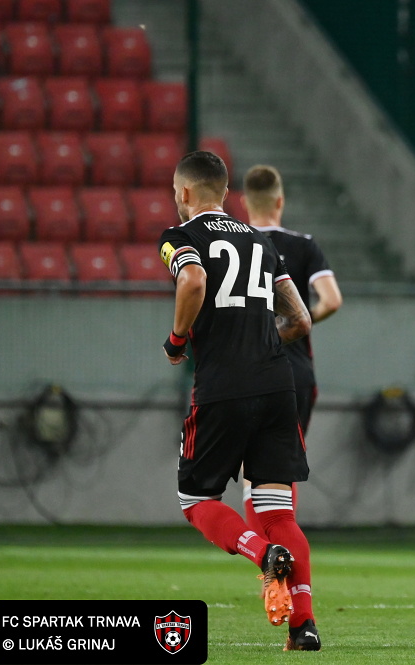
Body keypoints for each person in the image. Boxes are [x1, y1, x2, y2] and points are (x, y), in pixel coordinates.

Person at [158, 151, 321, 651]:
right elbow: (301, 320)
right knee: (278, 511)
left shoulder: (179, 237)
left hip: (222, 388)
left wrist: (178, 340)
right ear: (227, 193)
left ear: (185, 193)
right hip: (277, 387)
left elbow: (193, 279)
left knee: (196, 499)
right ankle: (304, 627)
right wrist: (259, 339)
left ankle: (261, 553)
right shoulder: (260, 241)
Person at [239, 164, 343, 535]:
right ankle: (281, 552)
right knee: (283, 465)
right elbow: (331, 300)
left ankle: (268, 556)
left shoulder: (235, 246)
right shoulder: (303, 245)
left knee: (252, 468)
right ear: (280, 201)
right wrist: (297, 321)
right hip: (295, 372)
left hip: (246, 369)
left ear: (244, 202)